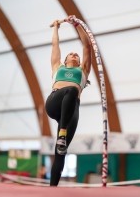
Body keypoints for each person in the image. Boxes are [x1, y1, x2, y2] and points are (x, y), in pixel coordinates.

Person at [45, 15, 92, 186]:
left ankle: (53, 188)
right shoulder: (58, 67)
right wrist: (57, 27)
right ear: (64, 60)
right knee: (71, 89)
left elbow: (87, 45)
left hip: (72, 108)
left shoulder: (84, 70)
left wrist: (76, 24)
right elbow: (55, 45)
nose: (74, 54)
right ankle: (62, 133)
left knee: (61, 153)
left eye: (77, 55)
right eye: (71, 54)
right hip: (54, 102)